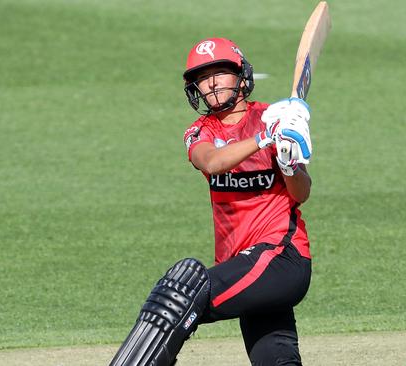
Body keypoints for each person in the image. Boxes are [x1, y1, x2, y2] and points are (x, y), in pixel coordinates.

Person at [109, 37, 314, 366]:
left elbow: (301, 193)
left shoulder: (273, 118)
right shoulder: (200, 131)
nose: (213, 82)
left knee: (181, 292)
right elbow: (213, 162)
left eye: (221, 72)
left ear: (241, 76)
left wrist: (289, 162)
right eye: (204, 77)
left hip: (281, 257)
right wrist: (265, 138)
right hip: (246, 269)